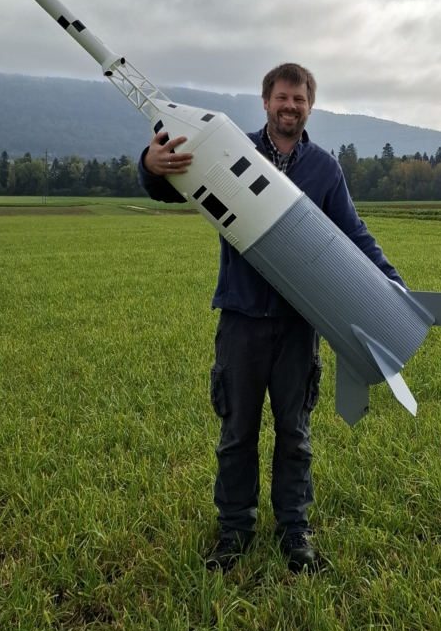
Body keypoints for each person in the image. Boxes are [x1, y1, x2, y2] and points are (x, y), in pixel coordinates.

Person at [138, 63, 405, 573]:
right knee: (237, 433)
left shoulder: (324, 169)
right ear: (265, 101)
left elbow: (354, 233)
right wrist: (150, 165)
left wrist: (393, 287)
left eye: (299, 99)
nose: (290, 107)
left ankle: (294, 531)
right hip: (241, 317)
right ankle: (234, 531)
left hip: (298, 322)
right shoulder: (230, 149)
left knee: (294, 434)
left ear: (310, 106)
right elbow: (169, 185)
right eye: (282, 97)